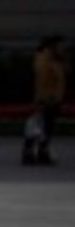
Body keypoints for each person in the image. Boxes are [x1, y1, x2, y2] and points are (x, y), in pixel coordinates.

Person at [27, 35, 65, 167]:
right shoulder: (45, 59)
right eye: (60, 45)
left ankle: (39, 152)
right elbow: (43, 80)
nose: (62, 48)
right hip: (47, 98)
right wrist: (43, 98)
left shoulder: (53, 59)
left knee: (44, 127)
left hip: (52, 98)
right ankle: (33, 153)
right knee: (40, 126)